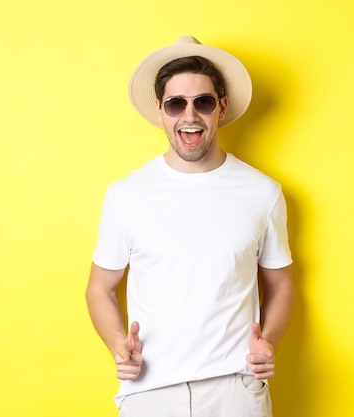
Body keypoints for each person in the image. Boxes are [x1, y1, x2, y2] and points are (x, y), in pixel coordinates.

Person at [86, 36, 295, 417]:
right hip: (149, 390)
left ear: (221, 107)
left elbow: (281, 284)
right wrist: (118, 344)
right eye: (176, 103)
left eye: (203, 101)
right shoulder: (125, 195)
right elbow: (100, 287)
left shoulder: (262, 192)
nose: (190, 115)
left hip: (235, 388)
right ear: (160, 110)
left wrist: (268, 341)